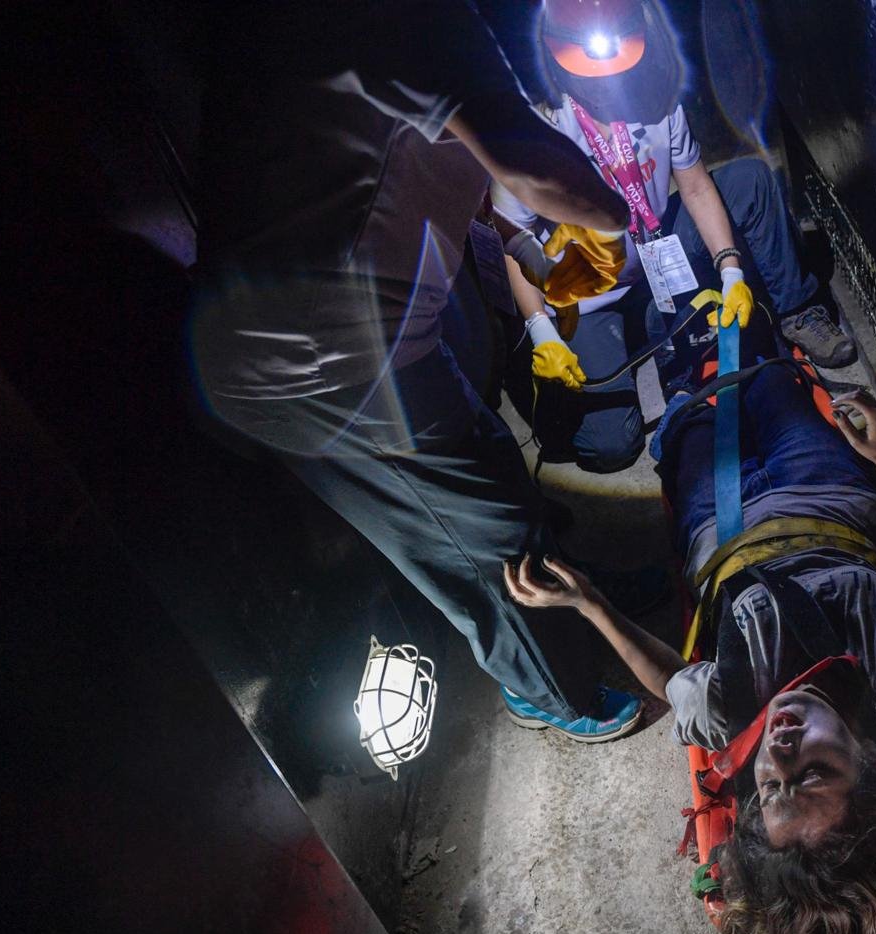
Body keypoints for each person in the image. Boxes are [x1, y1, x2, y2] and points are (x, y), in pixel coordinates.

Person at [503, 317, 876, 934]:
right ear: (875, 766)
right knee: (763, 368)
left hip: (718, 525)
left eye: (772, 787)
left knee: (687, 405)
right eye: (813, 771)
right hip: (827, 495)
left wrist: (591, 604)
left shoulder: (733, 723)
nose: (779, 749)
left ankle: (679, 325)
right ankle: (732, 288)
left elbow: (670, 680)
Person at [189, 1, 646, 742]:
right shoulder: (418, 13)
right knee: (482, 534)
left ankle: (579, 595)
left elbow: (422, 160)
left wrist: (522, 245)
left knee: (491, 460)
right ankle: (553, 691)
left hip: (372, 328)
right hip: (316, 363)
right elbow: (528, 164)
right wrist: (614, 219)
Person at [490, 0, 857, 474]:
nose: (605, 80)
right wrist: (541, 330)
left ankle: (798, 310)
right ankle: (576, 357)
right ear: (555, 58)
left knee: (749, 181)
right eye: (588, 69)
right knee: (610, 447)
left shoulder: (657, 99)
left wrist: (730, 270)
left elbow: (697, 186)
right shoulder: (533, 134)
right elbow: (512, 238)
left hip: (656, 248)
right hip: (587, 296)